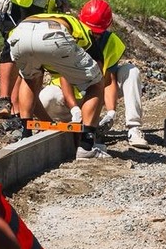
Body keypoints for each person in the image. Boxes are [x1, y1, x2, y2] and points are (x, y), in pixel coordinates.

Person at [38, 0, 150, 149]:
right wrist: (75, 109)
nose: (94, 36)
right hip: (67, 97)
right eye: (91, 31)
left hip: (95, 96)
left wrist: (111, 112)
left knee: (131, 71)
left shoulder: (110, 42)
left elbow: (109, 80)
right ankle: (62, 127)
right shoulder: (70, 38)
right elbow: (65, 78)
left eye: (98, 33)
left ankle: (133, 128)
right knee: (46, 97)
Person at [7, 10, 110, 159]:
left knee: (30, 77)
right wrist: (88, 115)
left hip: (20, 33)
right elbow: (97, 71)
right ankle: (86, 146)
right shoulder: (85, 31)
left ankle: (26, 133)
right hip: (52, 35)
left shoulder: (59, 17)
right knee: (96, 81)